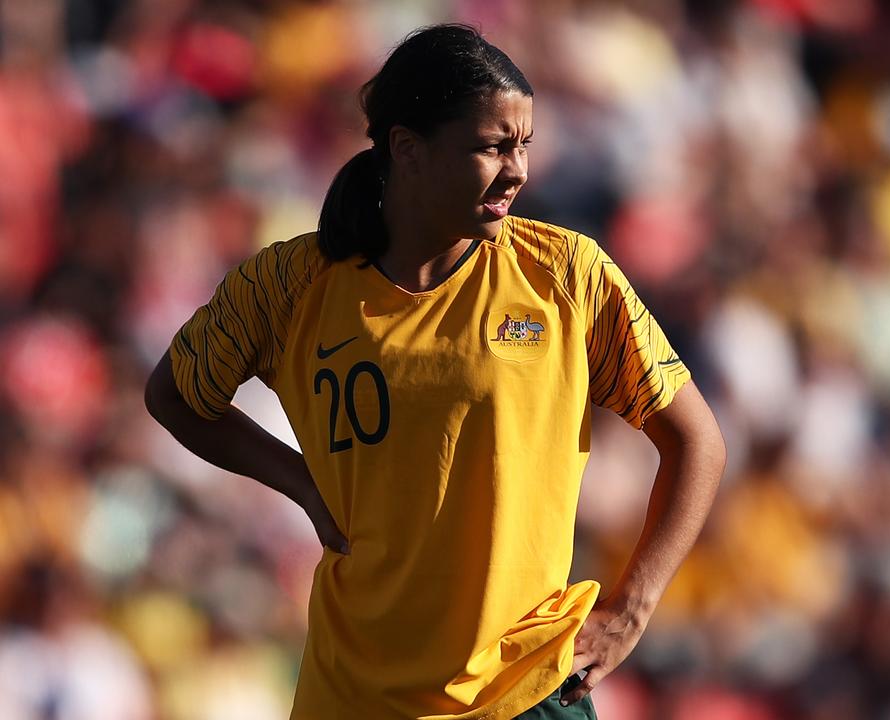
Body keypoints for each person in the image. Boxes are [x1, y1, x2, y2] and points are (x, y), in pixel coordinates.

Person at [143, 23, 725, 720]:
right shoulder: (290, 285)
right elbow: (175, 395)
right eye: (492, 147)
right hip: (354, 697)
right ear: (407, 150)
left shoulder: (567, 276)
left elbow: (697, 442)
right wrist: (301, 481)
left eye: (524, 146)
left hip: (523, 695)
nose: (519, 170)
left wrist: (630, 609)